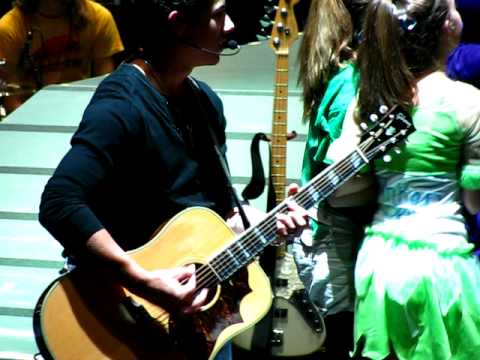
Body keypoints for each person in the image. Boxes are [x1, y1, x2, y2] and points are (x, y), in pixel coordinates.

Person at [38, 0, 308, 359]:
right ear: (178, 24)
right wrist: (141, 281)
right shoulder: (121, 105)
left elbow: (218, 211)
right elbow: (59, 201)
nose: (229, 25)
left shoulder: (205, 103)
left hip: (196, 324)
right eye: (218, 14)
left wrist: (267, 224)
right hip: (121, 313)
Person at [342, 0, 480, 358]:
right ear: (448, 27)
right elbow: (473, 201)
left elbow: (346, 188)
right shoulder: (469, 103)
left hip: (378, 262)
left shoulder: (369, 98)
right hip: (442, 266)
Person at [293, 0, 370, 358]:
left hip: (327, 233)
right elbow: (336, 186)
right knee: (341, 340)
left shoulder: (343, 76)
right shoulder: (351, 82)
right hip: (330, 234)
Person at [0, 0, 124, 113]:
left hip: (82, 111)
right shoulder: (9, 27)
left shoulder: (98, 17)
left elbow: (105, 89)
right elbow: (12, 101)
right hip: (32, 114)